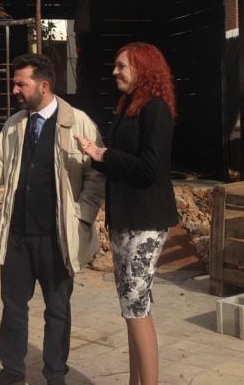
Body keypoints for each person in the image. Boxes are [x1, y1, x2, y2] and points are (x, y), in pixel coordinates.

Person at [0, 53, 104, 385]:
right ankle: (13, 370)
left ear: (43, 86)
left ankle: (55, 373)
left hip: (57, 235)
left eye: (21, 83)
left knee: (57, 309)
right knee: (13, 306)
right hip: (17, 234)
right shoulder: (15, 124)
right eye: (14, 83)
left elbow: (97, 176)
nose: (14, 89)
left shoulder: (80, 123)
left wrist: (82, 217)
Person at [74, 42, 179, 385]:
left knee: (135, 306)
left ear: (143, 68)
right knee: (132, 305)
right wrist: (94, 154)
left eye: (121, 66)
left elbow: (150, 168)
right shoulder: (128, 108)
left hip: (146, 221)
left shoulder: (156, 110)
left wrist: (103, 155)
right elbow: (119, 162)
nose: (114, 72)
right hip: (124, 219)